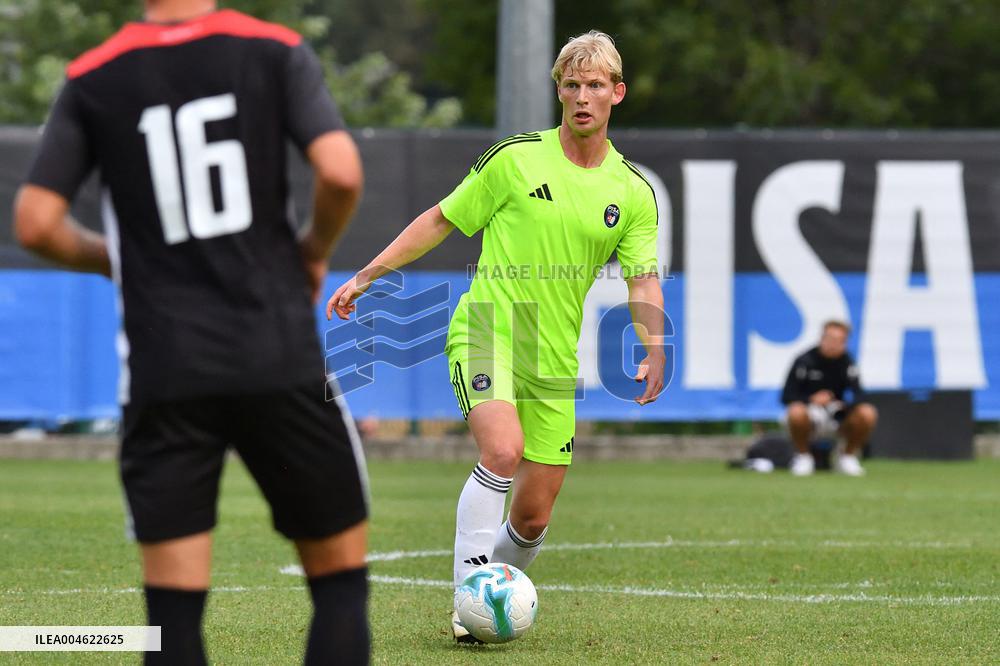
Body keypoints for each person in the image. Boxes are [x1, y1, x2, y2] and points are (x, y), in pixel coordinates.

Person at [14, 2, 369, 664]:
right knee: (339, 587)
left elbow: (35, 221)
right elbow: (342, 171)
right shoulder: (275, 49)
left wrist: (116, 259)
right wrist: (315, 248)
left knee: (171, 615)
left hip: (164, 366)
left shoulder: (94, 74)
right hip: (277, 354)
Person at [327, 30, 664, 642]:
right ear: (558, 90)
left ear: (617, 93)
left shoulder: (632, 192)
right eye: (571, 84)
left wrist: (653, 344)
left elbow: (642, 280)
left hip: (555, 357)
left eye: (595, 85)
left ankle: (492, 600)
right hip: (487, 328)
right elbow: (440, 220)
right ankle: (469, 605)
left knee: (533, 517)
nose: (582, 96)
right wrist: (370, 273)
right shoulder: (515, 159)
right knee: (501, 451)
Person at [781, 320, 878, 476]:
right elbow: (786, 396)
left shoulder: (848, 363)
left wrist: (844, 405)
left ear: (844, 342)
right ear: (822, 338)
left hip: (835, 418)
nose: (833, 344)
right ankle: (804, 457)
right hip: (810, 416)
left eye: (838, 340)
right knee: (796, 410)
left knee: (867, 412)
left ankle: (847, 457)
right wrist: (811, 400)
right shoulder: (804, 361)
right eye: (829, 339)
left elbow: (860, 394)